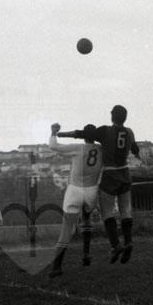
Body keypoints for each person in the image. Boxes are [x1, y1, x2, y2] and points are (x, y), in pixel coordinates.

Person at [58, 105, 142, 264]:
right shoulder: (130, 132)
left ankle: (116, 245)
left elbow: (83, 133)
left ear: (112, 116)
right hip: (125, 173)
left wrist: (62, 134)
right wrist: (138, 156)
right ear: (125, 117)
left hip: (110, 174)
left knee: (107, 212)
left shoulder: (105, 131)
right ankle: (129, 241)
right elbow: (135, 149)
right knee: (125, 210)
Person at [47, 123, 103, 277]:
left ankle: (57, 267)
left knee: (67, 228)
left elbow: (53, 146)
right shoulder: (101, 149)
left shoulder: (78, 148)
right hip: (92, 190)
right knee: (87, 218)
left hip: (75, 190)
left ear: (83, 137)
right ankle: (86, 254)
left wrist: (54, 133)